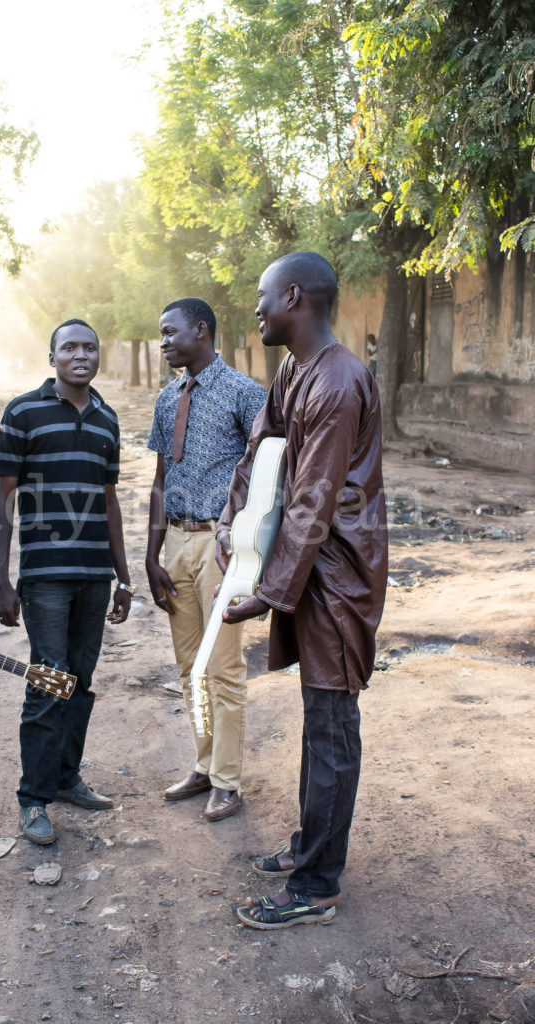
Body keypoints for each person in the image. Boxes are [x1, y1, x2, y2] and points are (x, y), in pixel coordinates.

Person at [217, 252, 388, 929]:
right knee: (319, 726)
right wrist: (235, 521)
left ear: (294, 296)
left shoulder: (340, 381)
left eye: (263, 296)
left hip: (337, 574)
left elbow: (315, 497)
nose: (255, 308)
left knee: (332, 724)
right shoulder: (294, 371)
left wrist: (267, 590)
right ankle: (308, 849)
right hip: (308, 569)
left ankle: (318, 884)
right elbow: (263, 449)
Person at [0, 318, 133, 845]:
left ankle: (67, 778)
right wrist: (2, 581)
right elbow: (4, 500)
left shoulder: (107, 419)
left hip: (94, 577)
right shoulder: (23, 412)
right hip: (45, 578)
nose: (80, 354)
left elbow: (110, 502)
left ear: (99, 356)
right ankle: (33, 798)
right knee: (49, 680)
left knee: (81, 680)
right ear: (51, 357)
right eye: (69, 347)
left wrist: (123, 577)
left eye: (89, 347)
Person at [146, 298, 266, 822]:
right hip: (175, 542)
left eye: (171, 332)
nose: (164, 341)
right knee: (189, 667)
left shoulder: (243, 393)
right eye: (160, 334)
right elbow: (157, 480)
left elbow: (268, 475)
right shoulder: (166, 398)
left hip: (221, 546)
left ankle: (228, 781)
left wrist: (246, 541)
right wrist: (151, 556)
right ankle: (203, 764)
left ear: (201, 330)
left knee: (223, 668)